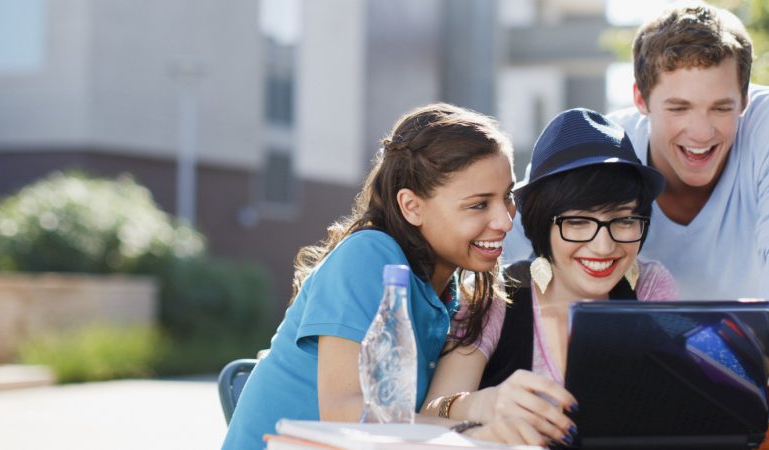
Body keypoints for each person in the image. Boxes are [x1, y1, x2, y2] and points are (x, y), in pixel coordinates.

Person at [505, 1, 769, 386]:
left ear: (744, 100)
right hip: (671, 371)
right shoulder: (607, 149)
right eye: (679, 108)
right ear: (641, 99)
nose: (701, 132)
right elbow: (516, 233)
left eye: (721, 108)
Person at [222, 104, 537, 449]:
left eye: (506, 197)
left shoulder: (452, 295)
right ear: (412, 206)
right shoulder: (370, 255)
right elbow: (345, 414)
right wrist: (472, 433)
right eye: (478, 204)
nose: (506, 221)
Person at [421, 108, 677, 446]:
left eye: (624, 220)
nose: (604, 246)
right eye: (577, 222)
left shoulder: (649, 287)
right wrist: (483, 407)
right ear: (543, 223)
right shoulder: (497, 296)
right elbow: (430, 414)